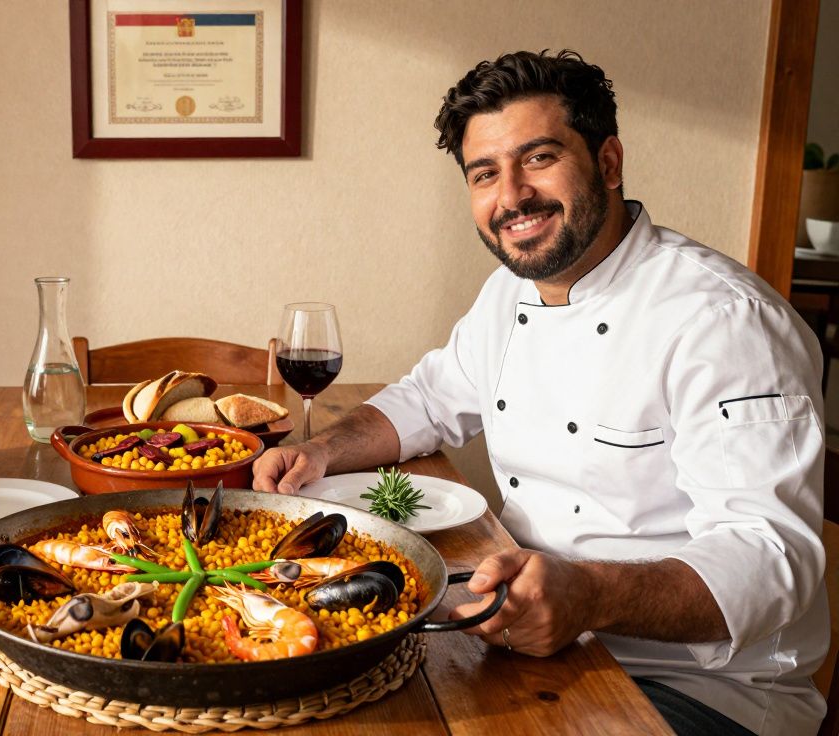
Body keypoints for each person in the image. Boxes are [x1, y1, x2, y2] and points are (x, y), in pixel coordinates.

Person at [252, 50, 827, 736]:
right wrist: (320, 451)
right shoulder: (509, 293)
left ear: (608, 163)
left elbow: (769, 561)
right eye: (485, 173)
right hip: (521, 635)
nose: (513, 195)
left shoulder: (725, 321)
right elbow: (429, 399)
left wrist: (588, 594)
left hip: (695, 687)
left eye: (540, 158)